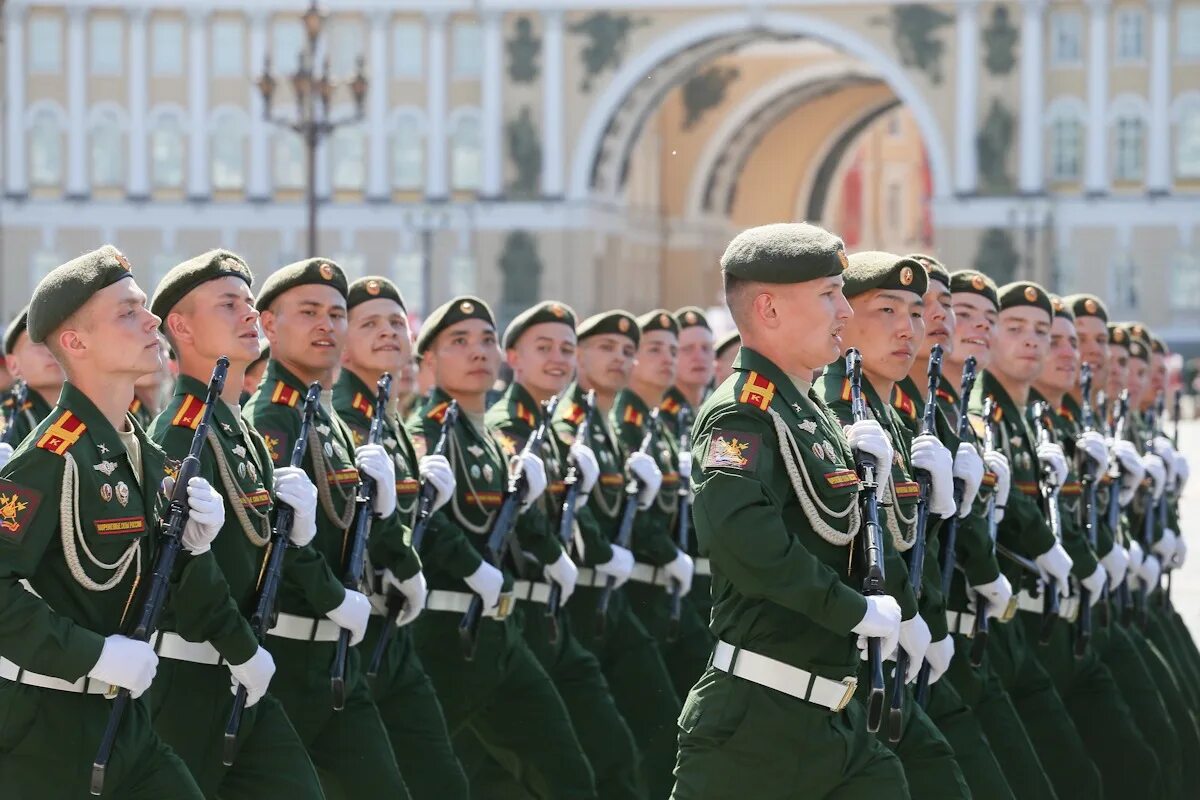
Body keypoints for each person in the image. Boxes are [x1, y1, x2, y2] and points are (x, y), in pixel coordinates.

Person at [673, 223, 908, 799]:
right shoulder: (742, 415)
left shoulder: (813, 415)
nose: (845, 312)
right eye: (829, 294)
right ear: (770, 308)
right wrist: (852, 611)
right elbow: (746, 542)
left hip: (839, 717)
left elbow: (855, 538)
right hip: (756, 728)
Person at [0, 245, 221, 797]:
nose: (151, 321)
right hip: (46, 730)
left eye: (145, 306)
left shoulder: (147, 457)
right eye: (127, 311)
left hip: (128, 723)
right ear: (75, 342)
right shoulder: (49, 458)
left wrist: (191, 550)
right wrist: (93, 654)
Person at [145, 249, 327, 799]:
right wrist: (241, 650)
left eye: (249, 303)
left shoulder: (240, 431)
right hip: (190, 680)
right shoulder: (179, 435)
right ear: (181, 327)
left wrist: (300, 536)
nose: (250, 314)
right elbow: (184, 571)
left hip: (243, 672)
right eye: (229, 304)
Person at [405, 295, 597, 799]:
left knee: (568, 771)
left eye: (487, 340)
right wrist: (471, 566)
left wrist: (553, 550)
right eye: (459, 342)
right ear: (430, 360)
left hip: (500, 634)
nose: (478, 352)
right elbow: (429, 520)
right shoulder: (425, 434)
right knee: (432, 780)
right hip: (445, 635)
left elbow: (510, 514)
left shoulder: (492, 437)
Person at [244, 258, 411, 797]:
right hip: (289, 650)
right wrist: (334, 596)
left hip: (337, 653)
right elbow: (277, 538)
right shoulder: (273, 416)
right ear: (269, 325)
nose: (327, 325)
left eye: (337, 314)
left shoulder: (324, 416)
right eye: (309, 312)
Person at [815, 251, 968, 799]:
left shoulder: (892, 419)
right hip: (850, 665)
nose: (909, 328)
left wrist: (950, 500)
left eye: (915, 312)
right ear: (840, 315)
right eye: (886, 310)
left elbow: (905, 534)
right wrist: (914, 617)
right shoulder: (834, 413)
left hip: (894, 659)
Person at [481, 300, 642, 799]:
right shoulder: (510, 425)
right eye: (543, 347)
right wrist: (562, 551)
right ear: (514, 357)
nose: (557, 359)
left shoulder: (547, 429)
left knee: (607, 748)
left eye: (566, 350)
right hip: (517, 613)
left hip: (550, 615)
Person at [332, 275, 470, 800]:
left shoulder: (388, 416)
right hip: (356, 630)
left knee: (439, 778)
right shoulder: (342, 417)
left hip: (393, 631)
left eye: (395, 321)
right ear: (342, 341)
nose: (389, 331)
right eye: (369, 323)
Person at [1024, 297, 1164, 798]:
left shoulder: (1072, 420)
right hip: (1029, 628)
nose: (1085, 354)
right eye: (1063, 339)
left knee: (1154, 748)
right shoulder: (1019, 421)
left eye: (1092, 342)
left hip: (1087, 614)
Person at [888, 254, 1016, 800]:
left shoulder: (940, 411)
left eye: (943, 308)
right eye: (919, 308)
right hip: (890, 648)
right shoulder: (875, 411)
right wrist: (924, 620)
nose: (935, 319)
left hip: (942, 637)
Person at [970, 281, 1102, 799]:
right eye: (1016, 327)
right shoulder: (987, 417)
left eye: (1043, 332)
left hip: (1037, 621)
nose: (1038, 343)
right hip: (1005, 624)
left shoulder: (1032, 420)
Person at [937, 270, 1058, 800]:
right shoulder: (919, 412)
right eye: (963, 314)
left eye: (989, 320)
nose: (977, 329)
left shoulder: (968, 417)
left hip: (983, 634)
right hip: (940, 641)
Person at [555, 309, 681, 798]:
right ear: (579, 354)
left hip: (612, 601)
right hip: (575, 603)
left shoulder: (604, 425)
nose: (620, 359)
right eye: (606, 348)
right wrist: (606, 551)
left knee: (655, 721)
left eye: (628, 350)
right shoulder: (569, 422)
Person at [611, 310, 710, 700]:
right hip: (637, 588)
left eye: (673, 349)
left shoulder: (659, 425)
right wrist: (669, 553)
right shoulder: (627, 423)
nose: (668, 358)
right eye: (655, 349)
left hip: (666, 587)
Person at [2, 306, 66, 450]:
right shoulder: (10, 419)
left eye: (57, 341)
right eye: (39, 344)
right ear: (13, 365)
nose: (52, 351)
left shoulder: (94, 407)